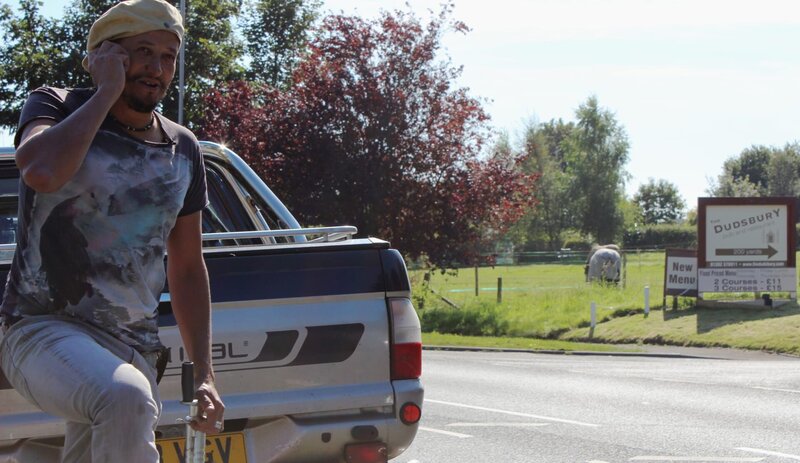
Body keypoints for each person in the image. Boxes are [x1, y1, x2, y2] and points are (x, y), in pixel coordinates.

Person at [0, 1, 224, 461]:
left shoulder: (183, 148)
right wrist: (105, 93)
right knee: (123, 399)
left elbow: (186, 268)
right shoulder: (56, 105)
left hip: (131, 350)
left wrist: (204, 373)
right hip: (41, 330)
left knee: (121, 404)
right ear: (106, 55)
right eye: (143, 51)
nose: (157, 68)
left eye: (168, 55)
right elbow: (40, 171)